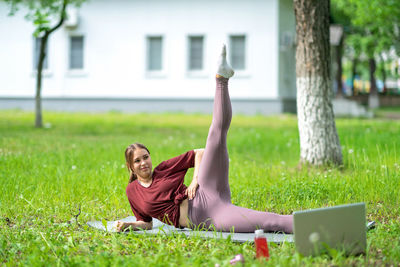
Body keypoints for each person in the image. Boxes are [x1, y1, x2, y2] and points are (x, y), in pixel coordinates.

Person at [116, 45, 293, 233]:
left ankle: (221, 79)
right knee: (271, 223)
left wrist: (194, 181)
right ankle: (309, 225)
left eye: (145, 157)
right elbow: (147, 222)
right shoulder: (133, 192)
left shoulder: (163, 170)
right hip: (211, 216)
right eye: (137, 160)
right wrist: (129, 225)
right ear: (130, 166)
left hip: (205, 190)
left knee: (216, 133)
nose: (144, 162)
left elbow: (199, 153)